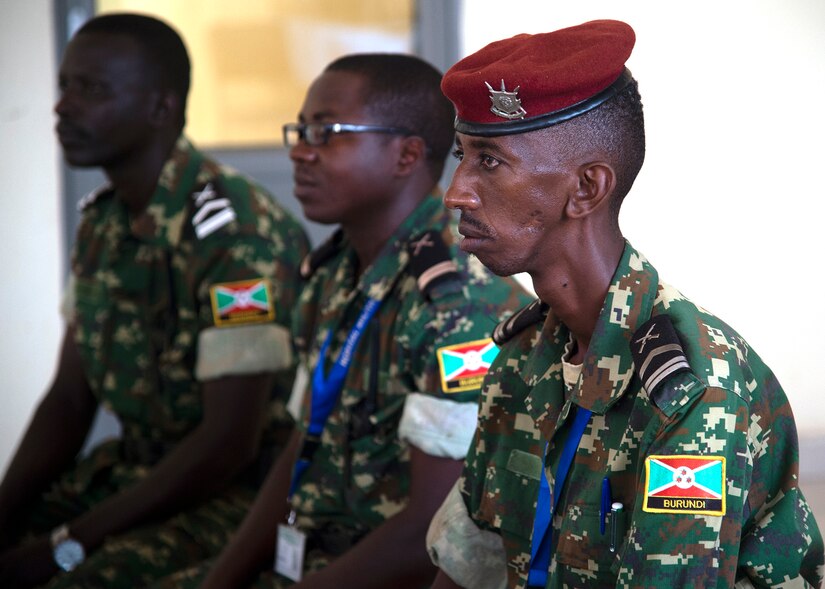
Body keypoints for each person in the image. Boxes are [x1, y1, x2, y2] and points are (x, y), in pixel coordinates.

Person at [425, 19, 824, 589]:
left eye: (489, 162)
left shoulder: (692, 389)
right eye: (461, 155)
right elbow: (471, 563)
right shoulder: (525, 352)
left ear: (587, 188)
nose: (456, 192)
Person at [156, 53, 531, 589]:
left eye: (327, 133)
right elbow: (303, 440)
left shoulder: (460, 302)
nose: (300, 152)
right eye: (300, 132)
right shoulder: (333, 274)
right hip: (313, 556)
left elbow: (430, 533)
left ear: (406, 155)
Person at [0, 13, 310, 589]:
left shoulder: (234, 233)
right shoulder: (104, 222)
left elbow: (228, 444)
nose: (63, 107)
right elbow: (68, 401)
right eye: (65, 86)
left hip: (230, 494)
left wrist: (66, 545)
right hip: (133, 473)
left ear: (160, 108)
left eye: (92, 90)